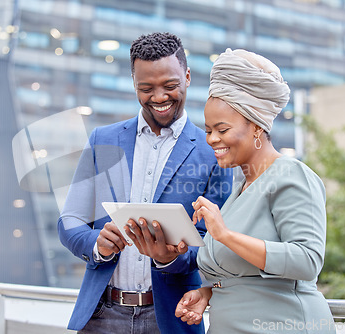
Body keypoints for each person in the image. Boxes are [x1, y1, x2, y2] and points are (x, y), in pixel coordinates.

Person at [58, 32, 233, 333]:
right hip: (101, 315)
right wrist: (97, 244)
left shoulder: (214, 153)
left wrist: (169, 259)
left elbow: (215, 247)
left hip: (171, 317)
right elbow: (70, 219)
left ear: (188, 76)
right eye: (146, 88)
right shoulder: (104, 140)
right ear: (134, 85)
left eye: (170, 85)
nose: (159, 97)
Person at [175, 48, 336, 333]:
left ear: (256, 128)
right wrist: (209, 293)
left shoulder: (291, 175)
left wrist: (223, 234)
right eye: (208, 129)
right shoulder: (240, 188)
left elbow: (307, 261)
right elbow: (243, 276)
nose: (211, 139)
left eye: (222, 129)